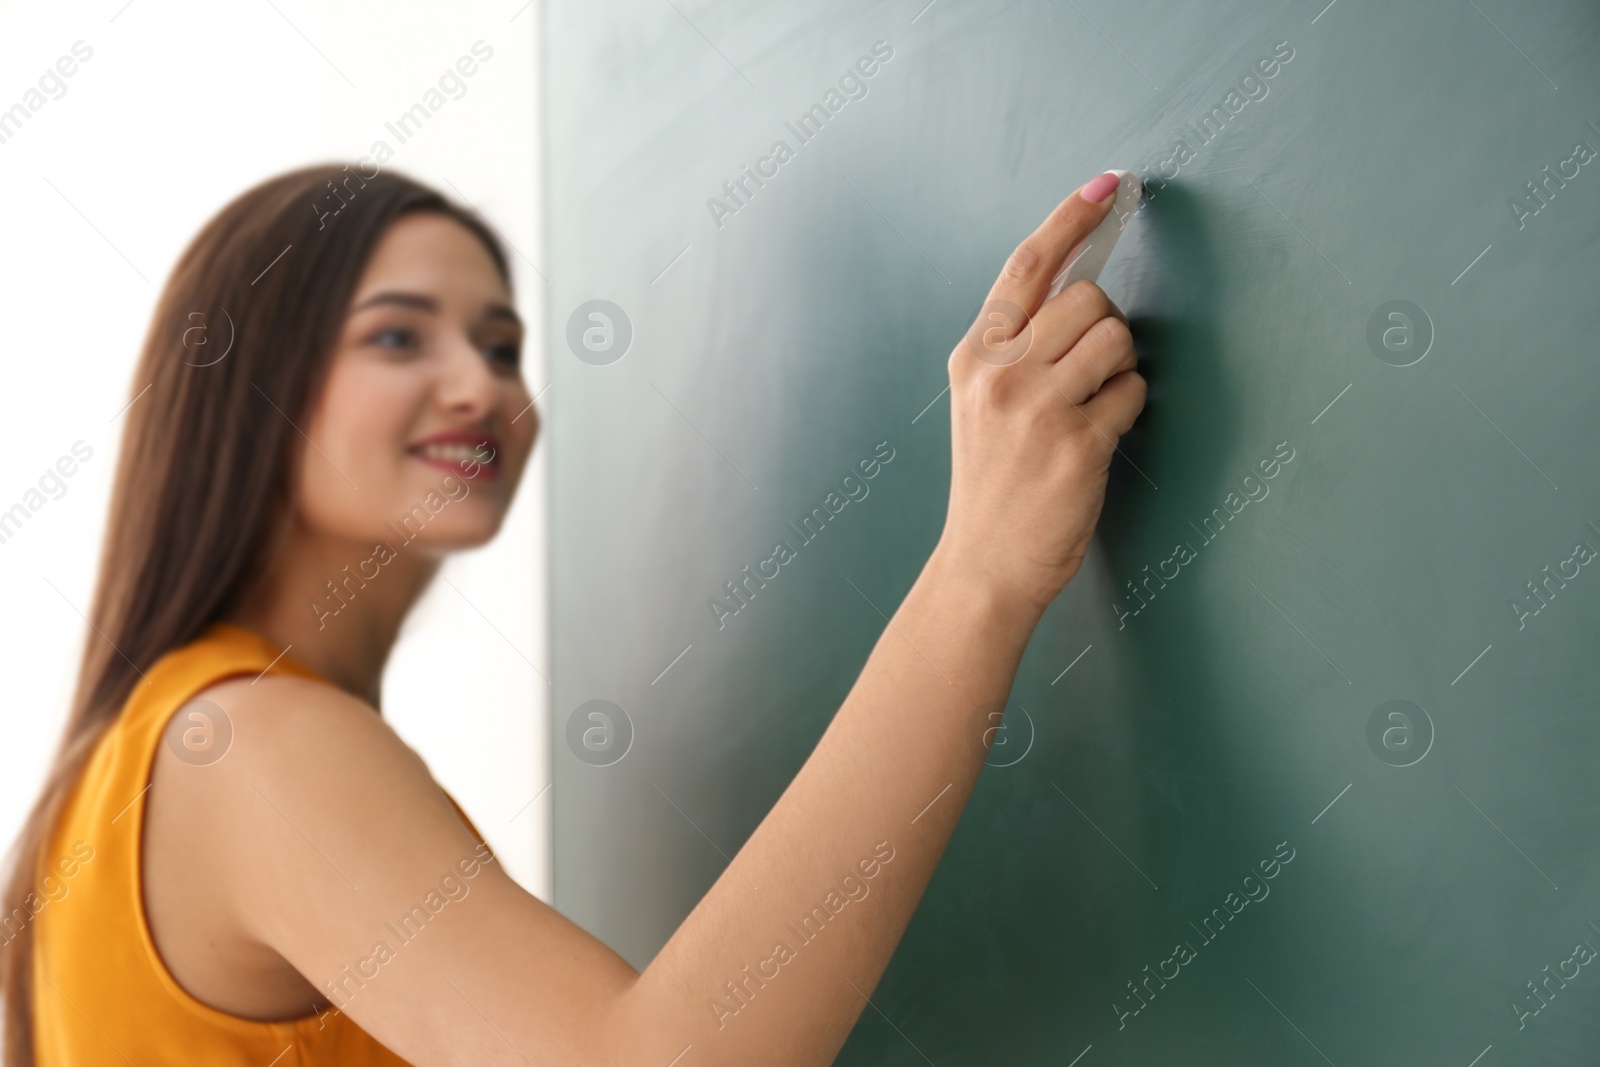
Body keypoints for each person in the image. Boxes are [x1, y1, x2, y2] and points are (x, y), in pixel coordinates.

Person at [0, 164, 1143, 1066]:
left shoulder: (139, 766)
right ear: (244, 385)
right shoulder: (244, 741)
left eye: (502, 345)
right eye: (400, 334)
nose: (484, 384)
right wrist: (980, 571)